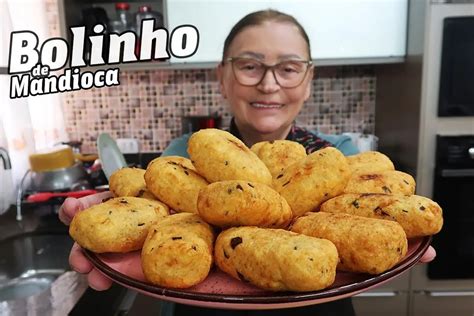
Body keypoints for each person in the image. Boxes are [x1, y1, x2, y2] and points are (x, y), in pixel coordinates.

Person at [59, 9, 436, 316]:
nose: (269, 84)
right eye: (250, 66)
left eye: (288, 68)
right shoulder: (181, 154)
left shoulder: (341, 157)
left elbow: (374, 212)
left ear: (308, 81)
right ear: (222, 77)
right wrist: (112, 212)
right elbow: (149, 198)